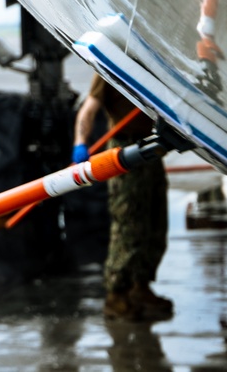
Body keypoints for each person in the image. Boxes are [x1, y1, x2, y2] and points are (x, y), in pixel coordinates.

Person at [73, 72, 172, 322]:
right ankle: (116, 295)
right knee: (129, 223)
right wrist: (80, 143)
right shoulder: (112, 66)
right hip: (123, 152)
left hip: (150, 146)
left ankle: (140, 287)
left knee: (155, 220)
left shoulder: (148, 63)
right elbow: (88, 110)